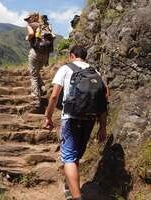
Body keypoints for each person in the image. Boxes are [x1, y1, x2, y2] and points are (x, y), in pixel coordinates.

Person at [44, 45, 107, 200]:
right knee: (75, 155)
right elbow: (104, 98)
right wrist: (103, 127)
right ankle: (70, 187)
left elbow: (54, 96)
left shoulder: (66, 68)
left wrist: (48, 116)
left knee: (69, 158)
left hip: (71, 117)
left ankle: (76, 197)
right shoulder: (95, 72)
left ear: (72, 55)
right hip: (90, 118)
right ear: (84, 56)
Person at [24, 13, 53, 107]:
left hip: (35, 53)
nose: (27, 20)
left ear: (33, 18)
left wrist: (27, 37)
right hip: (45, 55)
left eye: (28, 18)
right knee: (36, 72)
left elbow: (31, 34)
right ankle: (43, 87)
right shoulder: (45, 26)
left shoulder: (31, 25)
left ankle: (36, 99)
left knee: (33, 75)